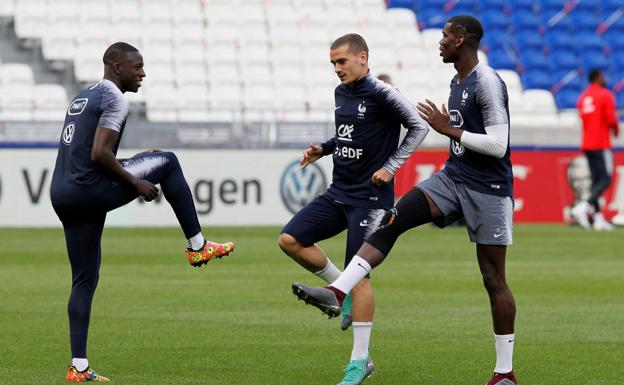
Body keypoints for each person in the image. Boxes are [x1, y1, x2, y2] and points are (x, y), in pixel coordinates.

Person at [292, 16, 518, 385]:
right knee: (392, 220)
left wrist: (450, 130)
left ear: (461, 40)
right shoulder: (456, 80)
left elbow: (498, 145)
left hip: (489, 190)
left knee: (494, 280)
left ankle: (504, 372)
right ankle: (337, 291)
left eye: (445, 36)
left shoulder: (488, 81)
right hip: (454, 176)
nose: (440, 41)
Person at [50, 42, 235, 382]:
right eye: (137, 67)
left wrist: (130, 165)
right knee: (168, 161)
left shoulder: (83, 96)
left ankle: (78, 368)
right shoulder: (115, 99)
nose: (143, 73)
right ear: (116, 67)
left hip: (63, 193)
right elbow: (99, 155)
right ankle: (197, 246)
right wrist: (136, 181)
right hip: (88, 189)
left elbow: (87, 155)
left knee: (84, 280)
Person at [279, 33, 429, 385]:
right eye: (332, 63)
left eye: (342, 62)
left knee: (359, 275)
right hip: (338, 192)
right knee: (289, 239)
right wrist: (325, 148)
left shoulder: (382, 93)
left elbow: (419, 127)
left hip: (371, 199)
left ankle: (360, 362)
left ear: (362, 57)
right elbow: (350, 133)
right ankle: (339, 292)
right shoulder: (340, 92)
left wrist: (391, 167)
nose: (336, 69)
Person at [571, 69, 619, 231]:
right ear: (598, 78)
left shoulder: (583, 97)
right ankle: (583, 207)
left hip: (587, 143)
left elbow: (583, 119)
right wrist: (616, 130)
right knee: (606, 179)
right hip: (601, 143)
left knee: (596, 181)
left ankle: (598, 218)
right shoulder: (605, 95)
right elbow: (611, 118)